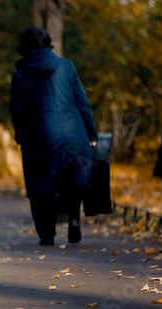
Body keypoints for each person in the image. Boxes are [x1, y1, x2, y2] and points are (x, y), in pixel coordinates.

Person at [9, 26, 98, 246]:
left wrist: (21, 137)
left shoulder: (20, 75)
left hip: (39, 137)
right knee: (73, 176)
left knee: (41, 184)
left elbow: (17, 111)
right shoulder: (66, 67)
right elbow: (82, 102)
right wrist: (92, 132)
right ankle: (74, 220)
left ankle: (47, 235)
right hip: (74, 134)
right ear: (48, 44)